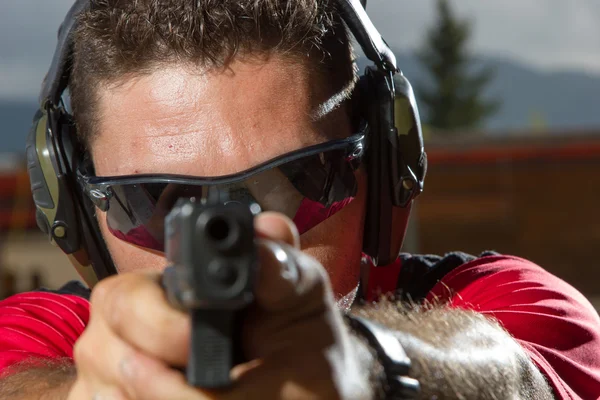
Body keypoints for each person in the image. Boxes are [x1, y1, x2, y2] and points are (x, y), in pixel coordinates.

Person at [1, 0, 599, 399]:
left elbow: (513, 373)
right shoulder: (38, 338)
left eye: (295, 182)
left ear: (380, 169)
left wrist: (364, 367)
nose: (239, 236)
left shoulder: (506, 302)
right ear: (80, 213)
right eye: (154, 202)